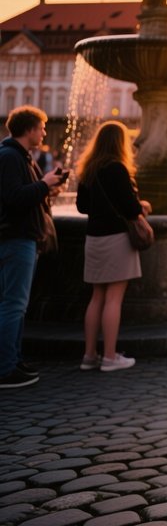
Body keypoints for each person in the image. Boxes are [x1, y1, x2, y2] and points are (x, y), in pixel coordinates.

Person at [76, 121, 151, 372]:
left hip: (94, 238)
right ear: (120, 143)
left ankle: (89, 355)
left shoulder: (88, 169)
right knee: (114, 299)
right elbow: (130, 209)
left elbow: (82, 207)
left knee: (96, 297)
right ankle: (109, 357)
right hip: (117, 238)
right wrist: (142, 207)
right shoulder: (117, 168)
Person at [0, 107, 65, 389]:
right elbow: (14, 197)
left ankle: (14, 359)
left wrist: (48, 188)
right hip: (16, 238)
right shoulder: (10, 157)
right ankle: (4, 368)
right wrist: (43, 183)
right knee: (13, 305)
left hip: (24, 237)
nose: (44, 133)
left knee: (18, 305)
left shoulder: (21, 156)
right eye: (41, 128)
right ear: (29, 130)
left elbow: (27, 194)